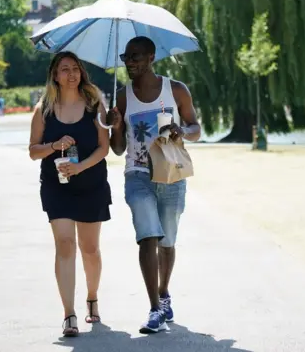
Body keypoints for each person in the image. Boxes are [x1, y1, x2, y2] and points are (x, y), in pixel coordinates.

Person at [107, 36, 201, 334]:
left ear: (151, 57)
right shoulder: (122, 97)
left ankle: (164, 293)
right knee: (147, 236)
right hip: (137, 174)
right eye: (126, 57)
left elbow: (197, 129)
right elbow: (118, 149)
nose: (130, 62)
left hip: (170, 173)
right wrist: (117, 125)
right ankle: (154, 309)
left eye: (135, 56)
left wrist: (182, 130)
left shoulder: (176, 90)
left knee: (167, 241)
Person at [28, 51, 111, 338]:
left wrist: (81, 167)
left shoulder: (94, 105)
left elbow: (104, 147)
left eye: (75, 68)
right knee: (65, 244)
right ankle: (69, 314)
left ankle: (92, 297)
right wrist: (54, 145)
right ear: (55, 75)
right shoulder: (44, 110)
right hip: (56, 186)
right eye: (64, 69)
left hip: (91, 185)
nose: (71, 74)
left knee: (90, 248)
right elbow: (33, 151)